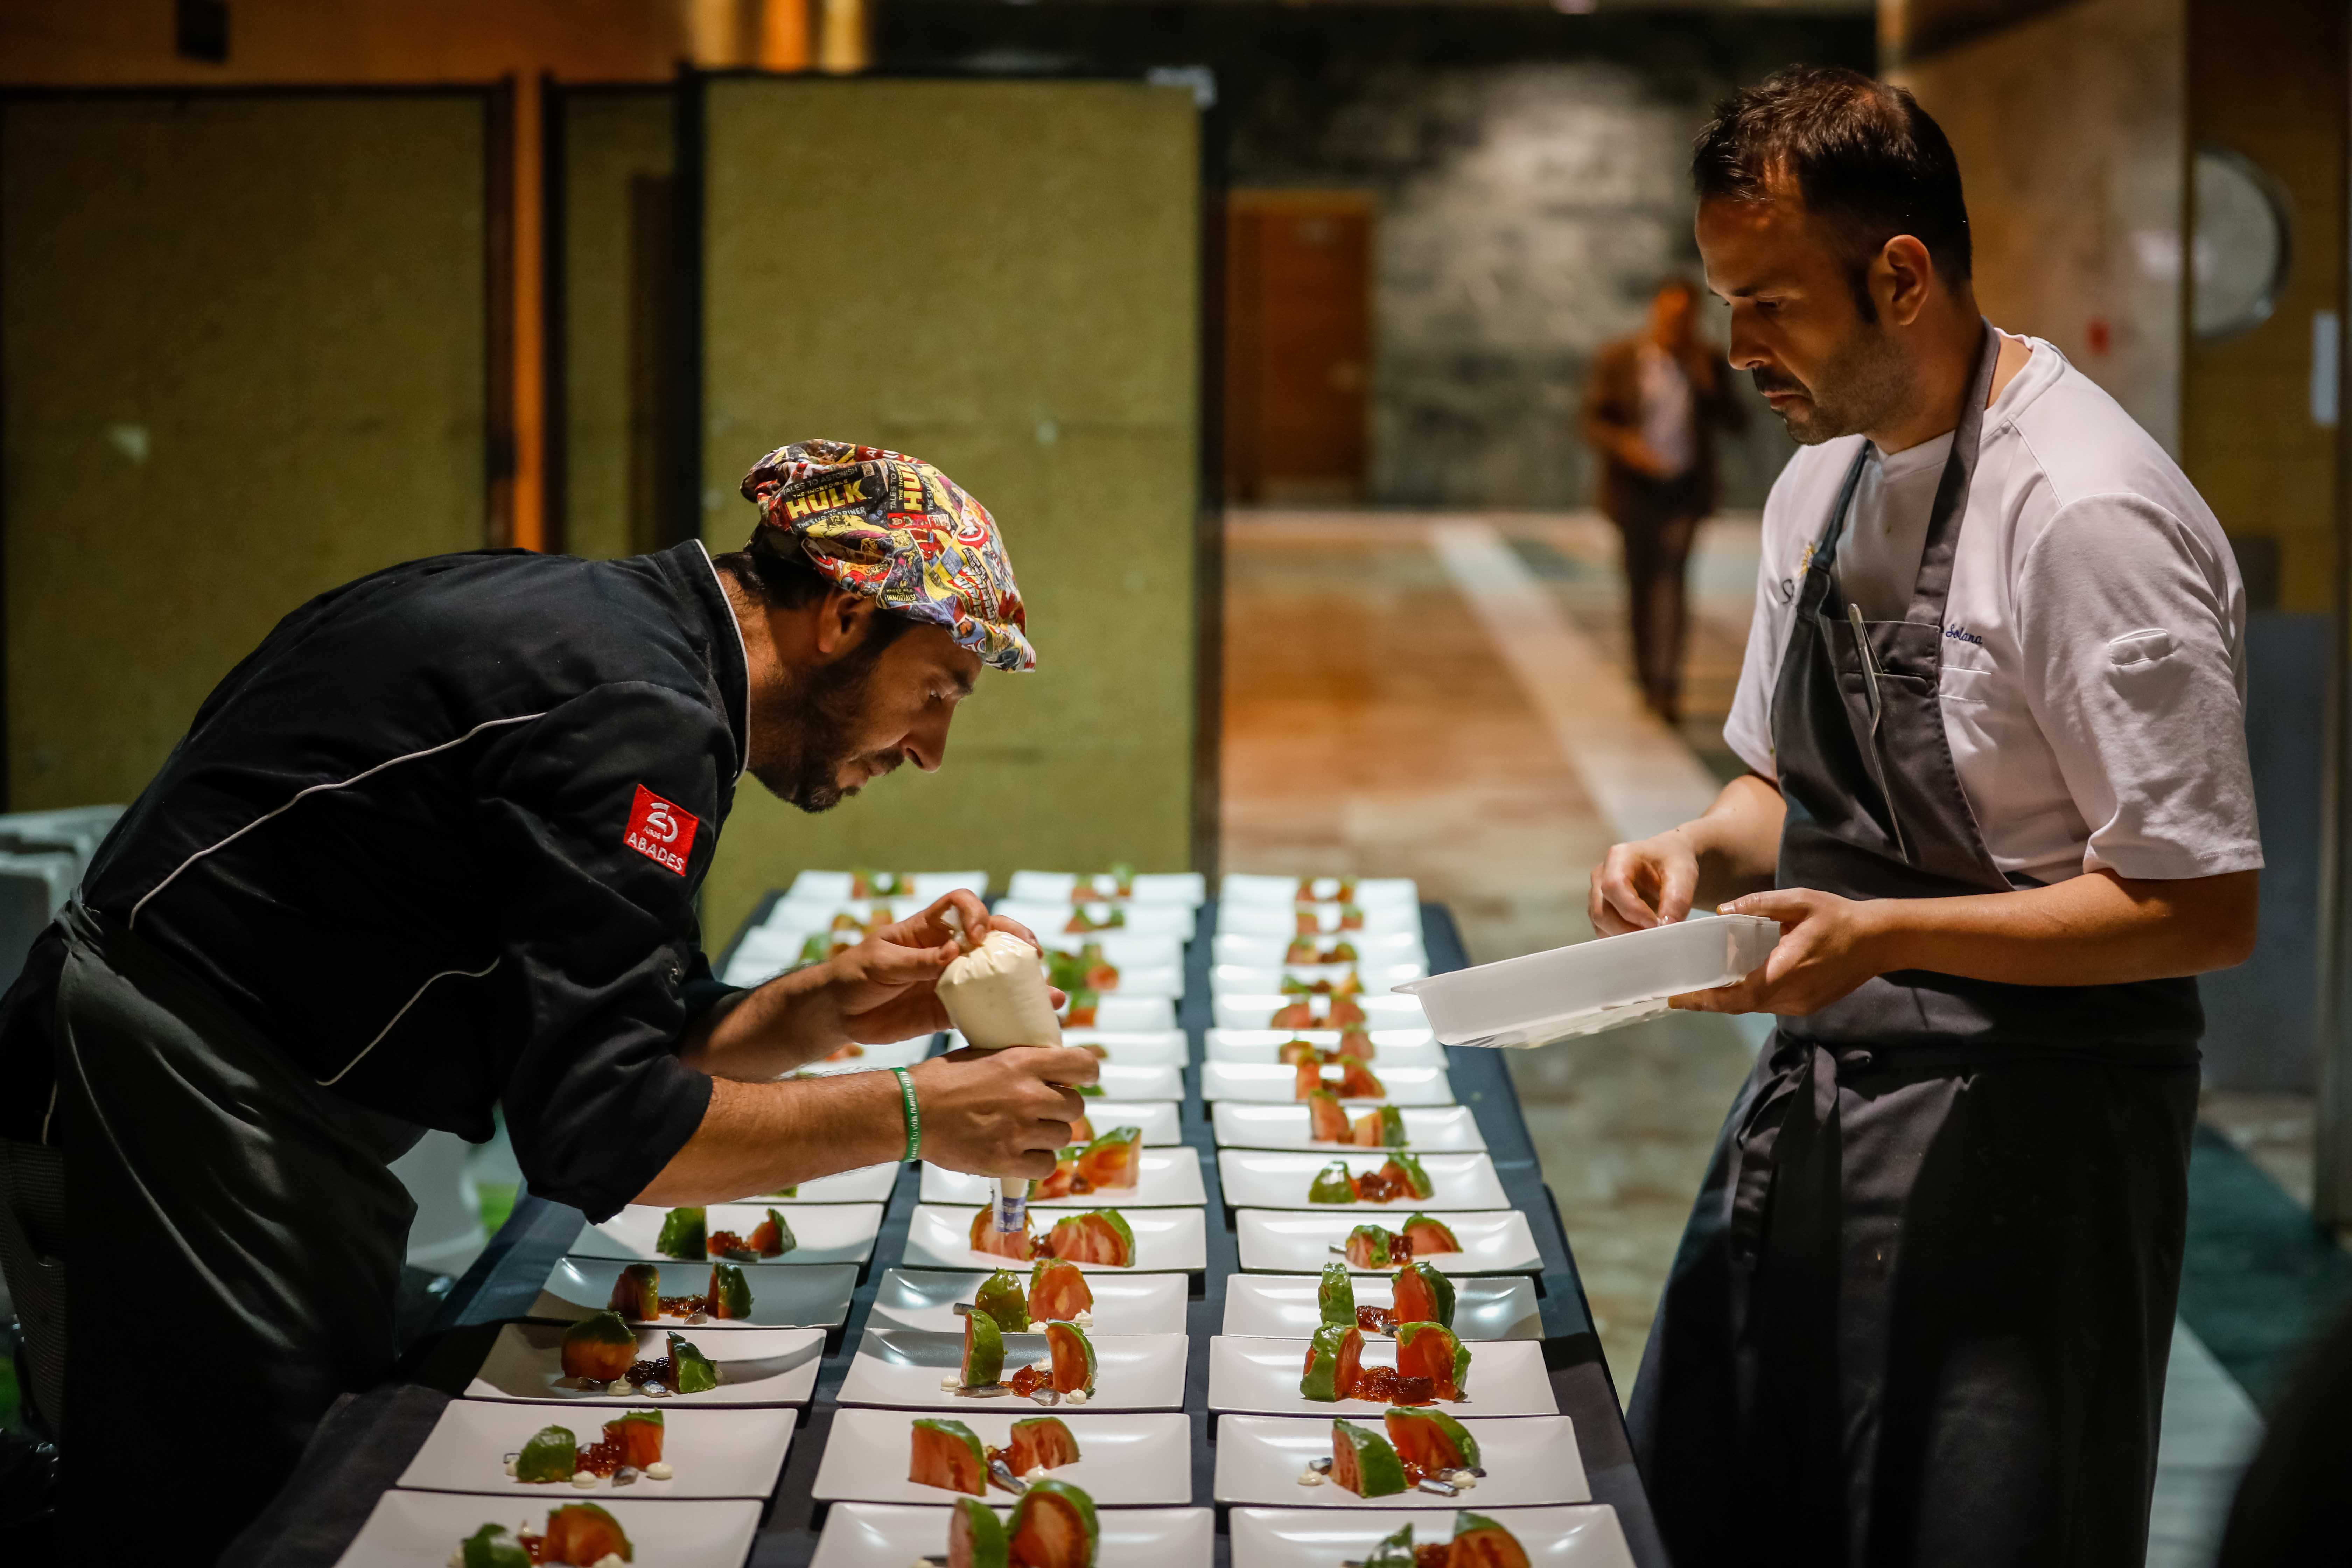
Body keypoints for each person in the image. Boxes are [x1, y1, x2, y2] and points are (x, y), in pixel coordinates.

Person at [0, 439, 1101, 1563]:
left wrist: (821, 1006)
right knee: (253, 1517)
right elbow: (602, 1133)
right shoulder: (638, 708)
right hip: (174, 1073)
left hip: (237, 1070)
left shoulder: (623, 645)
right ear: (845, 617)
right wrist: (915, 1111)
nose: (931, 748)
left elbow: (623, 1029)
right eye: (938, 691)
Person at [1588, 69, 2262, 1568]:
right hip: (1827, 1102)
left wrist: (1882, 933)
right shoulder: (1817, 480)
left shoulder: (2083, 510)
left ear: (1896, 276)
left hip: (2041, 1131)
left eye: (1767, 304)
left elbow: (2199, 903)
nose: (1734, 349)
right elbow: (1777, 785)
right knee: (1723, 1508)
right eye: (1725, 301)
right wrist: (1688, 848)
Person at [1582, 276, 1746, 722]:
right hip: (1634, 491)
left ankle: (1668, 682)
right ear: (1655, 313)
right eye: (1669, 316)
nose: (1676, 325)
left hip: (1685, 490)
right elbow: (1593, 421)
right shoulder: (1620, 358)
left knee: (1672, 579)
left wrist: (1708, 383)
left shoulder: (1707, 361)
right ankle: (1646, 674)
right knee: (1640, 582)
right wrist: (1626, 446)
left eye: (1685, 318)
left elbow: (1737, 423)